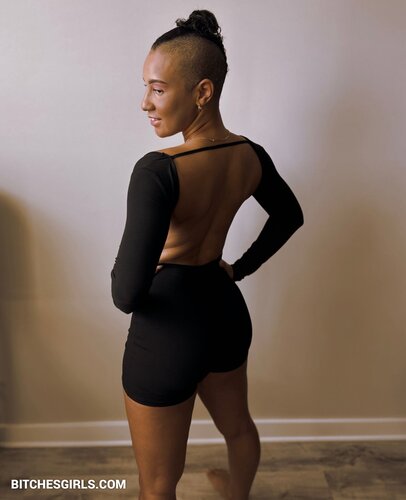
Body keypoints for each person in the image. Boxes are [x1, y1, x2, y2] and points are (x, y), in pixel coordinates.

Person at [111, 9, 304, 500]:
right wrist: (238, 269)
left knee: (157, 486)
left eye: (158, 89)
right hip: (224, 311)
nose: (145, 102)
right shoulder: (249, 154)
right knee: (238, 428)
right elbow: (290, 216)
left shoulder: (157, 170)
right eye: (146, 87)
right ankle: (237, 494)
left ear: (202, 92)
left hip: (167, 332)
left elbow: (125, 294)